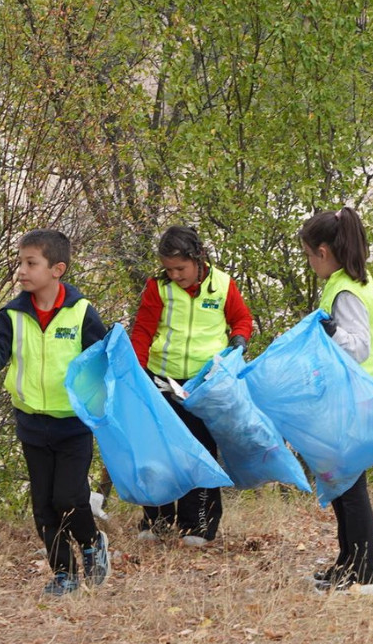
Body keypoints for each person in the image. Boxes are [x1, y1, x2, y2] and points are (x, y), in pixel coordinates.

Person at [0, 229, 111, 595]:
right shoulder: (12, 315)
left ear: (57, 269)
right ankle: (64, 575)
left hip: (73, 425)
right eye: (20, 262)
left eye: (30, 263)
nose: (21, 270)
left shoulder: (82, 312)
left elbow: (101, 363)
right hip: (32, 424)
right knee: (44, 507)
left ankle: (93, 543)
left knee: (69, 499)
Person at [128, 225, 253, 547]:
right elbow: (143, 330)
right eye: (168, 269)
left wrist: (239, 339)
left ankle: (198, 524)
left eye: (180, 268)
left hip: (204, 384)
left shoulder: (223, 284)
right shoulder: (158, 287)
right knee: (158, 450)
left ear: (198, 259)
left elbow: (242, 319)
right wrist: (137, 371)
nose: (175, 275)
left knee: (200, 452)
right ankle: (156, 520)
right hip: (161, 377)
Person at [300, 206, 373, 596]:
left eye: (308, 255)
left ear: (323, 251)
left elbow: (357, 347)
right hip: (360, 397)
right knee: (341, 485)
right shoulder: (352, 281)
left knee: (351, 490)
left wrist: (331, 330)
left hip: (360, 400)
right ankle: (347, 564)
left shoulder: (346, 291)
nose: (309, 263)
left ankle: (365, 577)